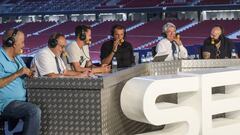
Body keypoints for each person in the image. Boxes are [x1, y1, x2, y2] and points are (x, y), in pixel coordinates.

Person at [0, 29, 41, 135]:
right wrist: (18, 73)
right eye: (22, 42)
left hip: (21, 101)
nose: (24, 45)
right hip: (5, 103)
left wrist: (30, 73)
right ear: (12, 43)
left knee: (45, 107)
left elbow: (24, 74)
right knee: (33, 111)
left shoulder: (18, 58)